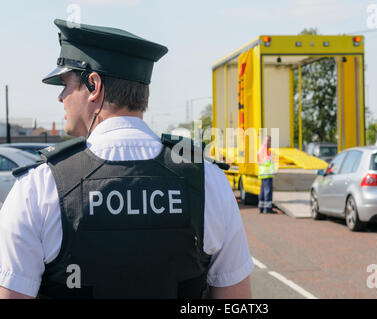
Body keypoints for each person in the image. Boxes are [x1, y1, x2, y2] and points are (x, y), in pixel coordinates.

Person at [0, 19, 253, 299]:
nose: (61, 97)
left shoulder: (38, 189)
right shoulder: (208, 181)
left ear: (93, 85)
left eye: (65, 83)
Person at [257, 136, 276, 214]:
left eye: (270, 141)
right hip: (267, 173)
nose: (269, 142)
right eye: (268, 140)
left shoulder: (262, 149)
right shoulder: (265, 150)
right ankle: (267, 208)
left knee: (263, 191)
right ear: (264, 141)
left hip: (263, 173)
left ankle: (261, 207)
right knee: (268, 191)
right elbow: (268, 161)